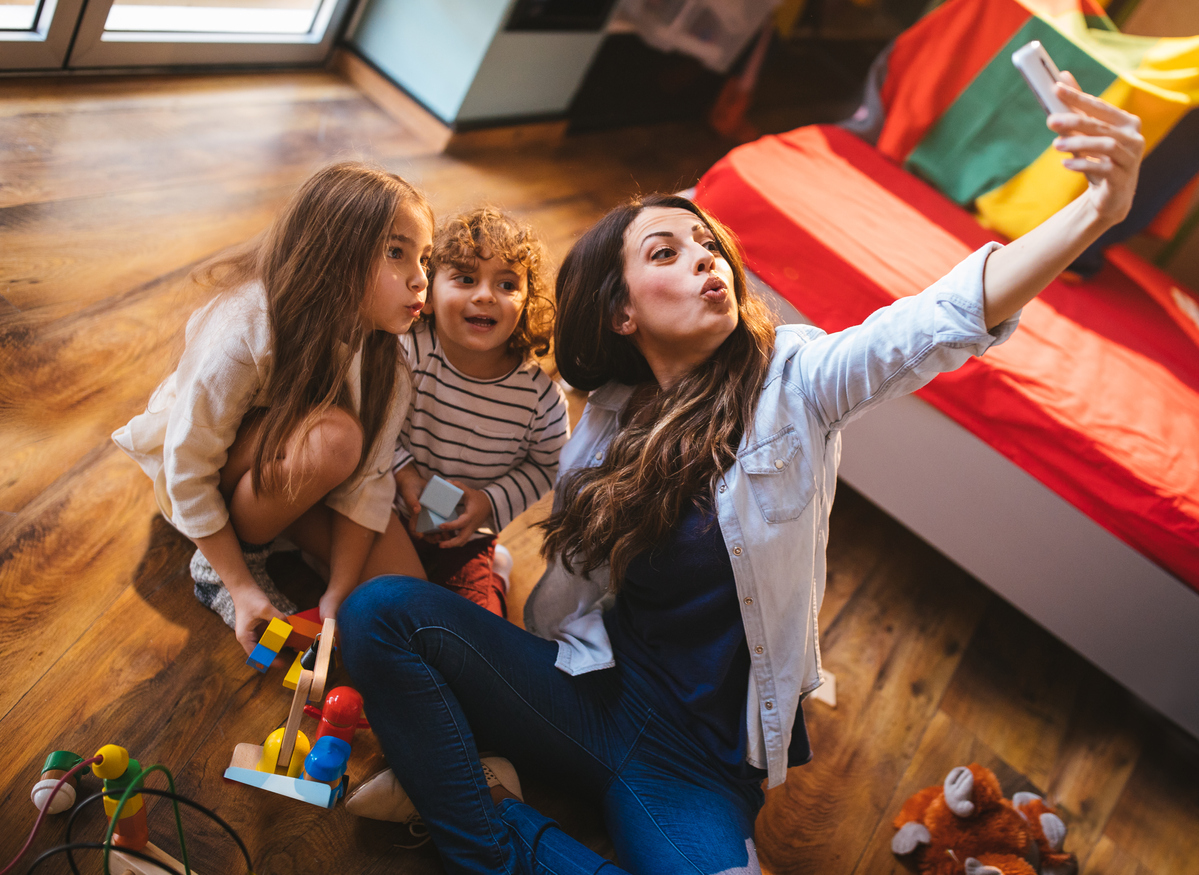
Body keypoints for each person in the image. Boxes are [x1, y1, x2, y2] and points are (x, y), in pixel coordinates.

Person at [336, 79, 1144, 874]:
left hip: (698, 758)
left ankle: (491, 825)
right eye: (666, 251)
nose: (705, 260)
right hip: (589, 693)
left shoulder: (796, 380)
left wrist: (1094, 210)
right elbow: (569, 579)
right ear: (622, 312)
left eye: (709, 246)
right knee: (382, 615)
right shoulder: (608, 418)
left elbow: (933, 323)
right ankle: (489, 823)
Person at [113, 162, 431, 656]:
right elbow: (189, 466)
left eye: (425, 260)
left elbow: (368, 483)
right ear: (334, 251)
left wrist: (335, 596)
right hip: (215, 477)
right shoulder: (246, 327)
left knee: (412, 593)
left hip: (301, 473)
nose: (420, 280)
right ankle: (223, 561)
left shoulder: (391, 364)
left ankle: (277, 534)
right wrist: (241, 588)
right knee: (337, 439)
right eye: (397, 253)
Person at [392, 207, 569, 618]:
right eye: (466, 279)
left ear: (525, 305)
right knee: (383, 596)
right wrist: (403, 472)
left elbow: (548, 467)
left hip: (468, 532)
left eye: (507, 284)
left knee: (475, 625)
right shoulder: (409, 351)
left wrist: (488, 503)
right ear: (430, 294)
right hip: (391, 508)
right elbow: (374, 422)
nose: (486, 295)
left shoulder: (539, 400)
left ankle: (497, 572)